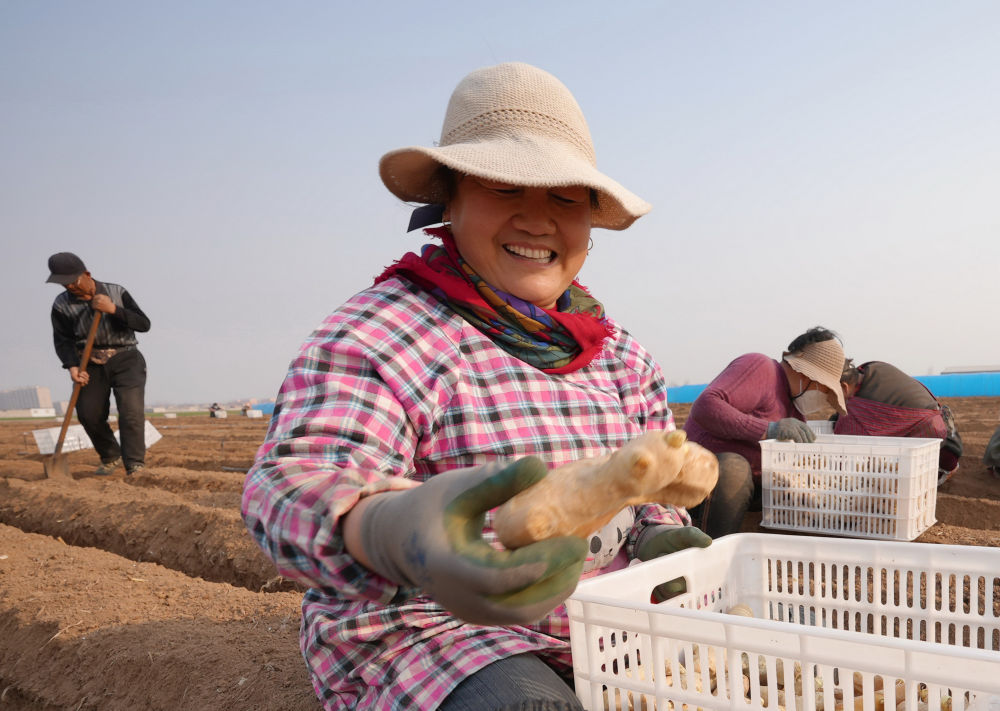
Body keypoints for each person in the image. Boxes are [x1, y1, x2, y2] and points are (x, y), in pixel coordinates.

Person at [241, 62, 712, 711]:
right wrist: (386, 529)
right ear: (451, 199)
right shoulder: (389, 330)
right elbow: (291, 484)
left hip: (600, 627)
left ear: (592, 222)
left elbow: (651, 483)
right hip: (436, 628)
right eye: (505, 187)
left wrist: (658, 531)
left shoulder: (619, 355)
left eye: (564, 196)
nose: (537, 219)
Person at [683, 326, 847, 537]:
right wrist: (768, 429)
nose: (822, 396)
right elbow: (706, 406)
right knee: (735, 468)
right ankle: (713, 548)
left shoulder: (794, 409)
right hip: (699, 477)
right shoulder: (761, 368)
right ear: (805, 374)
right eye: (824, 389)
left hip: (750, 489)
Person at [46, 252, 151, 476]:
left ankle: (134, 464)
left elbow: (143, 324)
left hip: (126, 357)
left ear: (87, 274)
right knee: (88, 413)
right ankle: (111, 456)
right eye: (64, 283)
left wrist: (114, 310)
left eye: (73, 281)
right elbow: (63, 341)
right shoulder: (61, 305)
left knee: (130, 411)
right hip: (89, 362)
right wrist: (72, 366)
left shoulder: (116, 292)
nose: (70, 287)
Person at [836, 360, 963, 484]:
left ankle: (942, 472)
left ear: (844, 387)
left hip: (940, 451)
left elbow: (849, 433)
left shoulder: (860, 404)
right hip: (948, 437)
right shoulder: (873, 368)